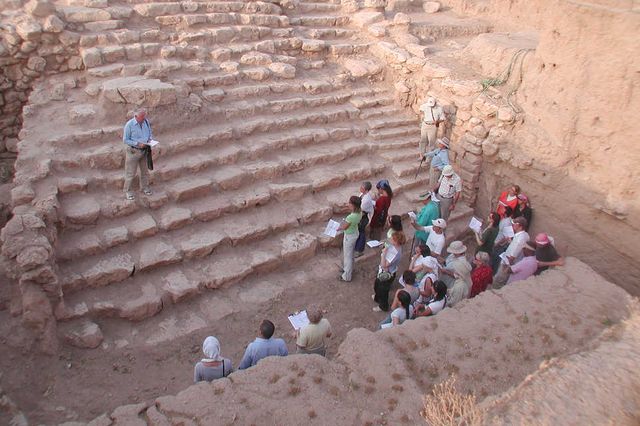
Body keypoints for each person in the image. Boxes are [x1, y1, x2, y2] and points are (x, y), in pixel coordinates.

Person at [123, 108, 154, 201]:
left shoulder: (146, 122)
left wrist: (150, 140)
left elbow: (149, 133)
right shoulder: (129, 125)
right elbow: (125, 140)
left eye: (144, 116)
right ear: (135, 116)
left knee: (144, 171)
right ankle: (128, 191)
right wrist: (138, 144)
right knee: (130, 173)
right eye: (142, 117)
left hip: (144, 150)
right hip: (133, 151)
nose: (144, 118)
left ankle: (145, 187)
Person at [372, 231, 406, 312]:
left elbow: (384, 265)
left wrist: (384, 254)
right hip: (383, 271)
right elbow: (387, 242)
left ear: (397, 241)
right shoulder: (393, 245)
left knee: (383, 290)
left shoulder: (396, 253)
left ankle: (383, 306)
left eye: (392, 239)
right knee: (377, 285)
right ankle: (377, 298)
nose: (390, 239)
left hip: (387, 273)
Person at [492, 217, 530, 288]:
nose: (512, 225)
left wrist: (505, 267)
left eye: (514, 224)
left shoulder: (520, 239)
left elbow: (512, 257)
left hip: (507, 264)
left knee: (498, 280)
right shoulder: (525, 235)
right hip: (511, 262)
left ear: (520, 226)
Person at [338, 196, 362, 282]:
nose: (348, 204)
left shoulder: (351, 217)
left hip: (349, 236)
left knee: (347, 256)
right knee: (351, 254)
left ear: (353, 205)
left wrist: (338, 227)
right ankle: (349, 269)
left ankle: (346, 276)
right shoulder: (360, 213)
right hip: (355, 233)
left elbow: (344, 227)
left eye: (350, 203)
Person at [491, 206, 515, 272]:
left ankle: (492, 271)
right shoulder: (505, 219)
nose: (501, 211)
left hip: (499, 244)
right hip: (498, 242)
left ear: (506, 214)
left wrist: (497, 243)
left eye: (503, 210)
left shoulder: (507, 223)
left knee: (495, 258)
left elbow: (506, 237)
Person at [355, 181, 374, 257]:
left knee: (361, 232)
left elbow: (361, 209)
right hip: (361, 215)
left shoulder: (366, 200)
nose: (360, 188)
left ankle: (359, 250)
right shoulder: (362, 195)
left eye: (362, 188)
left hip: (364, 217)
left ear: (366, 190)